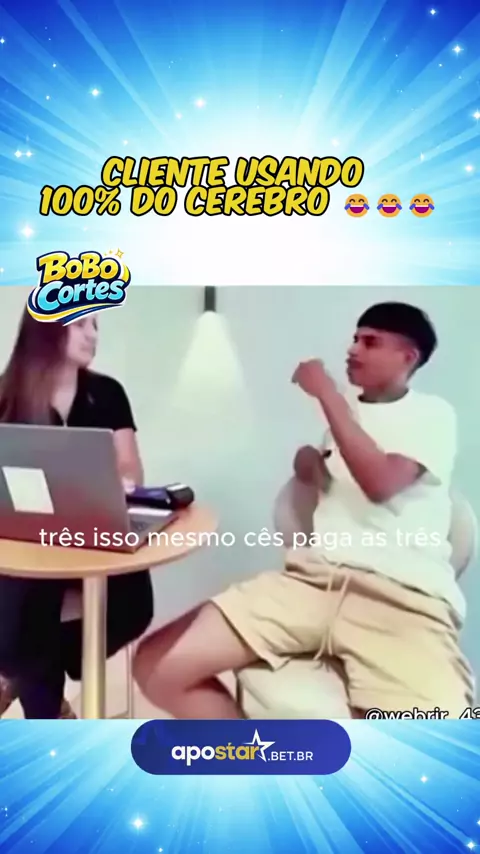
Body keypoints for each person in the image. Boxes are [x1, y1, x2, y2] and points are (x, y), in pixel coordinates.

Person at [132, 301, 475, 719]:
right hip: (313, 581)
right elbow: (332, 472)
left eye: (370, 342)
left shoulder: (433, 414)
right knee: (157, 665)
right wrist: (308, 462)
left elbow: (380, 484)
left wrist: (326, 393)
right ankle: (251, 755)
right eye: (355, 338)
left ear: (408, 356)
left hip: (400, 599)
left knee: (433, 741)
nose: (353, 349)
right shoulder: (346, 418)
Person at [0, 309, 153, 719]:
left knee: (131, 607)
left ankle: (15, 675)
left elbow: (130, 468)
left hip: (98, 542)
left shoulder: (108, 393)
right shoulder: (6, 395)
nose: (92, 335)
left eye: (95, 325)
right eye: (81, 324)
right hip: (28, 549)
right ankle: (47, 711)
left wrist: (118, 483)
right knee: (26, 602)